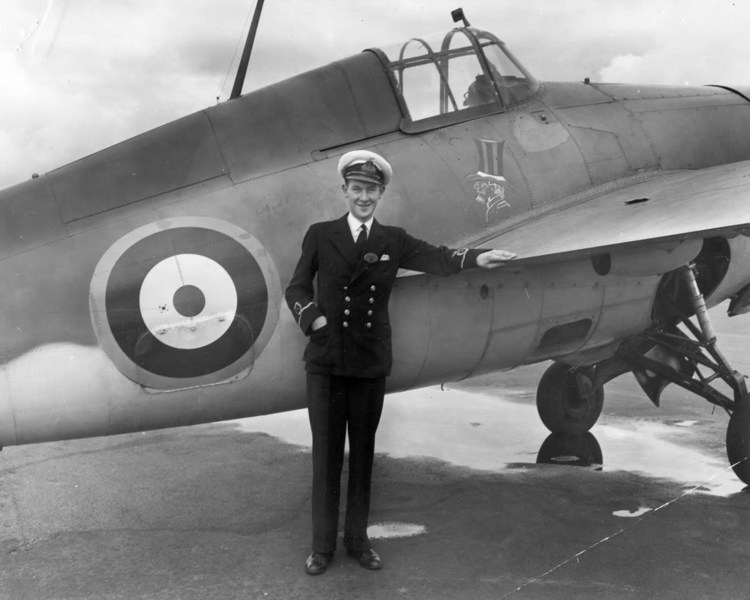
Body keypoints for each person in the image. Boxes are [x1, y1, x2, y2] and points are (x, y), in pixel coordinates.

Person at [285, 150, 516, 575]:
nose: (364, 197)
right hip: (326, 360)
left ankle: (357, 541)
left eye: (372, 190)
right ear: (345, 191)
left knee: (364, 455)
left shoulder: (392, 239)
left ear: (381, 194)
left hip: (369, 361)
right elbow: (296, 286)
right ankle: (322, 548)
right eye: (357, 189)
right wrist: (312, 317)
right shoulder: (321, 234)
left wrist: (478, 257)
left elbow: (437, 258)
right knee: (326, 456)